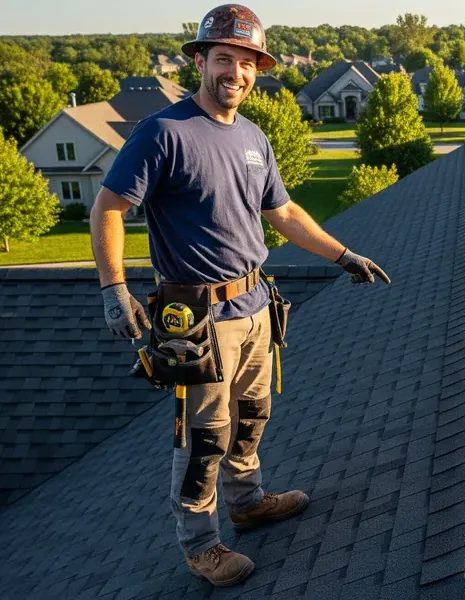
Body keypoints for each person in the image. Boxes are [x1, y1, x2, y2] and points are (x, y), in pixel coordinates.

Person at [89, 4, 390, 588]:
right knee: (205, 437)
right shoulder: (163, 133)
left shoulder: (254, 137)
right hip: (197, 318)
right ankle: (201, 547)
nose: (237, 72)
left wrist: (342, 254)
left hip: (255, 307)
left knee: (252, 417)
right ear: (199, 61)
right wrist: (114, 288)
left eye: (248, 62)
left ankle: (248, 503)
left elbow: (282, 212)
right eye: (224, 58)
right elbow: (109, 207)